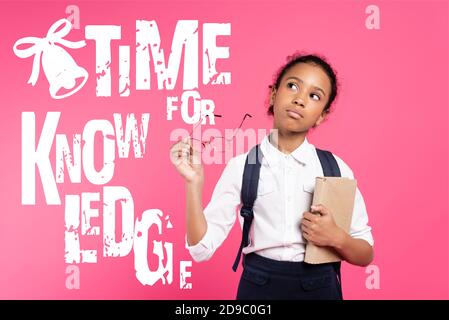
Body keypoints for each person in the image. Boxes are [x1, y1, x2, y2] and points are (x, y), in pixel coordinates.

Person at [170, 53, 374, 300]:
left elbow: (365, 253)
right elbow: (201, 250)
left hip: (320, 287)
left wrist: (337, 238)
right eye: (292, 86)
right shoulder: (242, 166)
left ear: (322, 115)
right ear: (273, 94)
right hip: (259, 288)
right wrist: (193, 185)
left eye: (314, 95)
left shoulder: (336, 168)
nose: (300, 99)